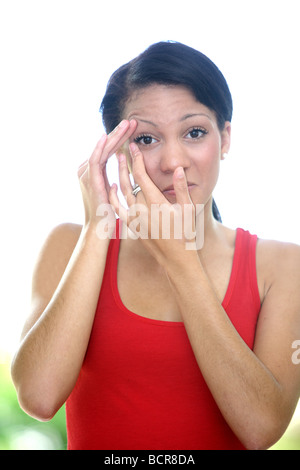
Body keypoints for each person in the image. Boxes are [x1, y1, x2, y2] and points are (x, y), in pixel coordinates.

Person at [11, 41, 300, 450]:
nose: (172, 162)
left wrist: (181, 263)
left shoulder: (283, 265)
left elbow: (261, 429)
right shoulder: (67, 245)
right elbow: (38, 398)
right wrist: (98, 228)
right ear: (116, 150)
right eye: (146, 139)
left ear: (226, 138)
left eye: (194, 132)